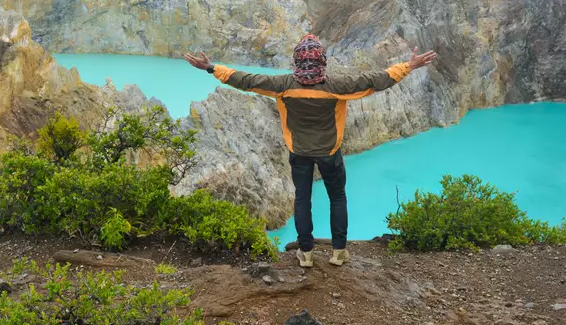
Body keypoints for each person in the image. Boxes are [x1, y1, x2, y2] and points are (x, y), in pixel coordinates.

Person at [185, 35, 436, 268]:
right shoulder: (337, 85)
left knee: (302, 199)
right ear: (322, 60)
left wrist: (211, 68)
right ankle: (339, 253)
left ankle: (305, 253)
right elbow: (377, 80)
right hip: (330, 152)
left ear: (297, 61)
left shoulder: (282, 85)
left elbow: (245, 80)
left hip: (299, 153)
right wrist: (408, 66)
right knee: (337, 198)